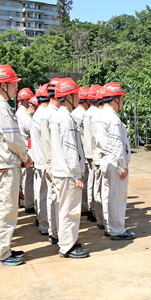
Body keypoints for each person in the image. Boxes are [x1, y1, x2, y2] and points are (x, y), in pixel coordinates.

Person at [0, 65, 31, 266]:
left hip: (4, 164)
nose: (16, 87)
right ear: (3, 85)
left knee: (5, 209)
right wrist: (25, 156)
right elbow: (12, 138)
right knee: (6, 210)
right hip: (5, 165)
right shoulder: (0, 107)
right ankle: (1, 254)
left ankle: (3, 249)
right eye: (13, 84)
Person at [50, 78, 89, 258]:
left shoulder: (58, 116)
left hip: (61, 171)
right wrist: (76, 174)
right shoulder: (65, 119)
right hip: (67, 173)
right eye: (75, 95)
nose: (78, 98)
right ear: (68, 97)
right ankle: (68, 247)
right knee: (70, 210)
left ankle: (67, 241)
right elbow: (70, 148)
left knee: (64, 209)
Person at [95, 82, 135, 240]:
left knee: (108, 197)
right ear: (115, 99)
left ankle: (110, 226)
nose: (123, 102)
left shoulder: (101, 115)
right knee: (117, 198)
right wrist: (122, 165)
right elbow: (117, 143)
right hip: (114, 161)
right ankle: (117, 230)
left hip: (106, 160)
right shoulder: (112, 118)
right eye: (121, 98)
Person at [43, 78, 63, 244]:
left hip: (48, 161)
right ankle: (57, 232)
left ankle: (53, 231)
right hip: (55, 163)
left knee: (52, 198)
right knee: (58, 200)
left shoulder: (45, 112)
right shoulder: (54, 115)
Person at [29, 84, 51, 237]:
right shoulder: (44, 115)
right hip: (44, 160)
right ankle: (45, 224)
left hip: (39, 159)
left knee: (40, 192)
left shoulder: (38, 114)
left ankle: (41, 220)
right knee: (45, 195)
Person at [83, 85, 104, 230]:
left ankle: (92, 208)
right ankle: (97, 212)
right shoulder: (96, 113)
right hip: (95, 152)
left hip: (89, 151)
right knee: (97, 184)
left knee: (91, 181)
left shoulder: (88, 112)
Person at [71, 87, 92, 218]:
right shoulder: (84, 114)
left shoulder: (73, 113)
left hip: (78, 151)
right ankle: (85, 206)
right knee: (86, 181)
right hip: (84, 150)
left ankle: (82, 205)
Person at [16, 88, 36, 213]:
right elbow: (33, 133)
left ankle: (26, 201)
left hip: (24, 149)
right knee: (28, 179)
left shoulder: (21, 113)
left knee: (25, 179)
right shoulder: (25, 116)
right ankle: (28, 203)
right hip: (26, 149)